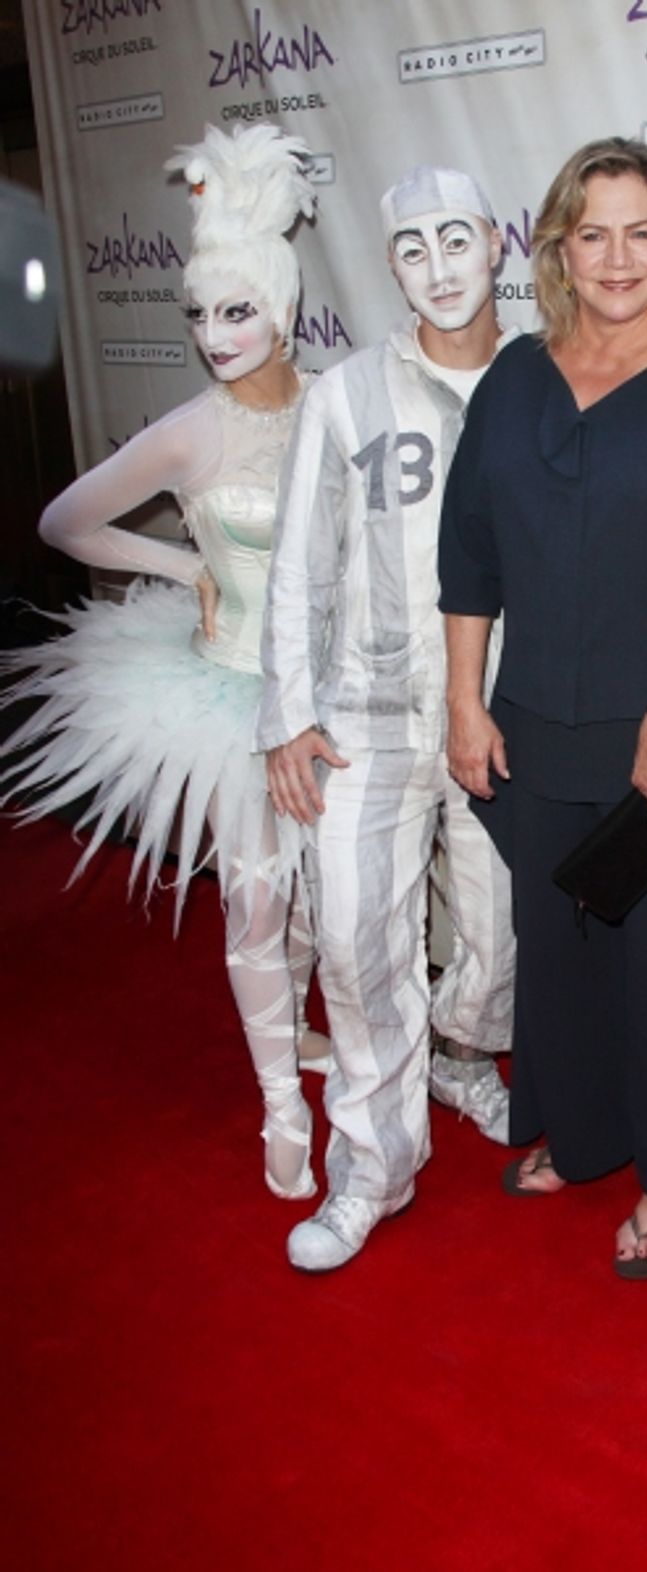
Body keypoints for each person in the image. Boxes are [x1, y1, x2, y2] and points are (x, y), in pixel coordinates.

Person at [439, 136, 647, 1278]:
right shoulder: (518, 376)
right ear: (559, 249)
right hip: (539, 725)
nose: (619, 257)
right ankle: (584, 1135)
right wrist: (463, 702)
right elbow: (468, 554)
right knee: (565, 946)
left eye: (642, 231)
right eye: (594, 234)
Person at [2, 123, 327, 1200]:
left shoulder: (334, 404)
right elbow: (65, 523)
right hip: (224, 695)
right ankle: (282, 1104)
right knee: (255, 902)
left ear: (281, 310)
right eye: (198, 313)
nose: (213, 333)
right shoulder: (191, 431)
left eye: (236, 310)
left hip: (330, 691)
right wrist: (177, 558)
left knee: (327, 896)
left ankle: (310, 1038)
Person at [258, 165, 518, 1273]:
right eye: (412, 250)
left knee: (508, 941)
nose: (439, 269)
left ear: (497, 245)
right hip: (368, 719)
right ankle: (374, 1164)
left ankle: (460, 1050)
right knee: (361, 954)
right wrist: (285, 715)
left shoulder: (551, 381)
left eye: (456, 242)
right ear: (389, 266)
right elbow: (298, 566)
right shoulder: (345, 394)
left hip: (511, 718)